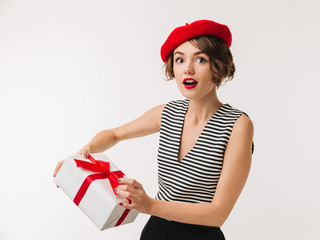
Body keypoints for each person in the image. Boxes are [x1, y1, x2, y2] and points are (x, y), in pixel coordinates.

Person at [53, 19, 254, 240]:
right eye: (179, 59)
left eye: (200, 59)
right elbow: (114, 134)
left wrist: (149, 204)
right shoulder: (168, 112)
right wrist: (82, 156)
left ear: (218, 67)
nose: (187, 69)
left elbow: (218, 214)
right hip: (154, 233)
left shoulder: (237, 124)